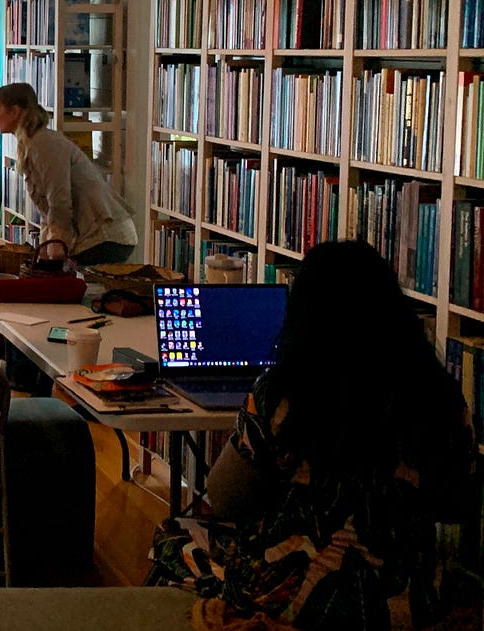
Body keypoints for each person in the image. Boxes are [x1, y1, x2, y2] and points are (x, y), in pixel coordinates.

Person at [147, 240, 480, 631]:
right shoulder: (441, 396)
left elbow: (227, 499)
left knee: (174, 536)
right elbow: (459, 503)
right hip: (412, 599)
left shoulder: (283, 395)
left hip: (304, 598)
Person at [0, 82, 136, 265]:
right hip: (92, 235)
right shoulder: (32, 143)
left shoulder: (43, 143)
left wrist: (56, 244)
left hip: (104, 236)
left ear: (15, 111)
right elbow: (49, 207)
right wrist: (47, 244)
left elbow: (59, 197)